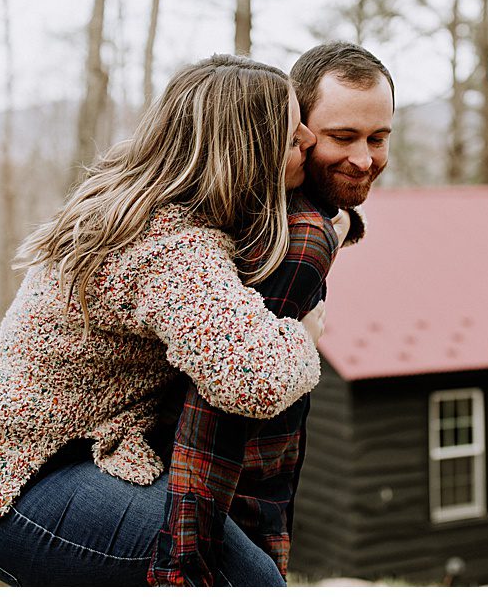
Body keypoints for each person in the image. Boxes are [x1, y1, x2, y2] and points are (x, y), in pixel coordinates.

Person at [0, 55, 321, 586]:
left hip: (41, 458)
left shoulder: (151, 205)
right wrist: (303, 337)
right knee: (245, 581)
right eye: (290, 127)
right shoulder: (167, 246)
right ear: (245, 145)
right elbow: (255, 380)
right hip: (16, 485)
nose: (307, 136)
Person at [149, 41, 394, 585]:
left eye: (378, 138)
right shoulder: (300, 237)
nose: (364, 158)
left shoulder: (278, 214)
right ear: (296, 130)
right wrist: (191, 562)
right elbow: (216, 408)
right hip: (233, 508)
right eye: (342, 137)